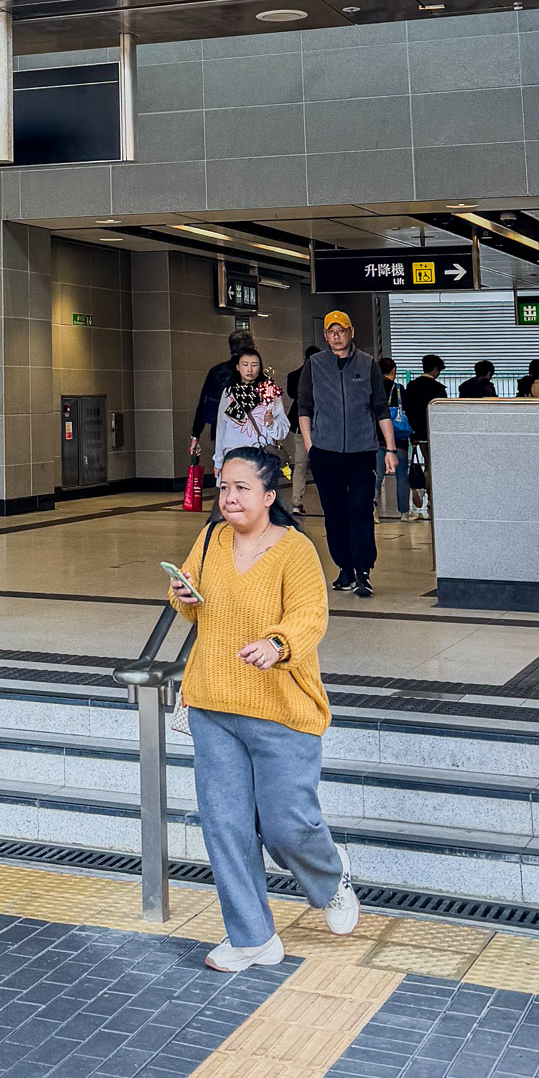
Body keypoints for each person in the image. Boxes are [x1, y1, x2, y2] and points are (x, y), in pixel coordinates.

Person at [168, 444, 358, 972]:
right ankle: (253, 938)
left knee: (285, 826)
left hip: (281, 709)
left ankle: (330, 876)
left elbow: (309, 616)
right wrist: (181, 596)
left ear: (269, 496)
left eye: (240, 487)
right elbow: (186, 601)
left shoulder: (294, 550)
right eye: (223, 486)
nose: (227, 496)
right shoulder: (209, 539)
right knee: (225, 826)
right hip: (212, 702)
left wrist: (277, 644)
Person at [297, 310, 398, 600]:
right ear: (326, 335)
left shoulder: (367, 364)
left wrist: (389, 449)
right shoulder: (314, 365)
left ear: (351, 332)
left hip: (361, 451)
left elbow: (380, 408)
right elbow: (304, 408)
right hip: (325, 452)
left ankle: (363, 570)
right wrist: (310, 445)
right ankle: (345, 567)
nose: (336, 336)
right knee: (335, 512)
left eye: (342, 331)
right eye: (331, 331)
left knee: (361, 509)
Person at [212, 346, 289, 474]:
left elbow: (283, 428)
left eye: (254, 365)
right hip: (234, 456)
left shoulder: (269, 391)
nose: (249, 369)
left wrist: (271, 424)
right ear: (237, 367)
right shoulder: (229, 393)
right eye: (245, 364)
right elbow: (221, 427)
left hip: (261, 457)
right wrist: (218, 461)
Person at [188, 331, 256, 473]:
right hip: (253, 433)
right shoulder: (257, 375)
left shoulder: (217, 372)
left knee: (226, 473)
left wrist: (196, 435)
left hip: (222, 432)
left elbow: (203, 404)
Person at [401, 354, 447, 514]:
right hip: (433, 431)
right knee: (431, 464)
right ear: (435, 369)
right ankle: (431, 499)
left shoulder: (411, 386)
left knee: (421, 461)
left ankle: (419, 488)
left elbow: (407, 407)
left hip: (415, 432)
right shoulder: (438, 388)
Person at [284, 345, 319, 514]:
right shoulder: (323, 375)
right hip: (320, 425)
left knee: (300, 464)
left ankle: (296, 501)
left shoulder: (293, 376)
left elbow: (292, 395)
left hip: (299, 425)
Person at [377, 356, 413, 520]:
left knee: (376, 476)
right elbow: (407, 411)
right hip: (398, 440)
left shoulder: (373, 388)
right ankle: (404, 512)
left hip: (377, 439)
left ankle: (372, 510)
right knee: (402, 476)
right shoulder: (398, 389)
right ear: (393, 370)